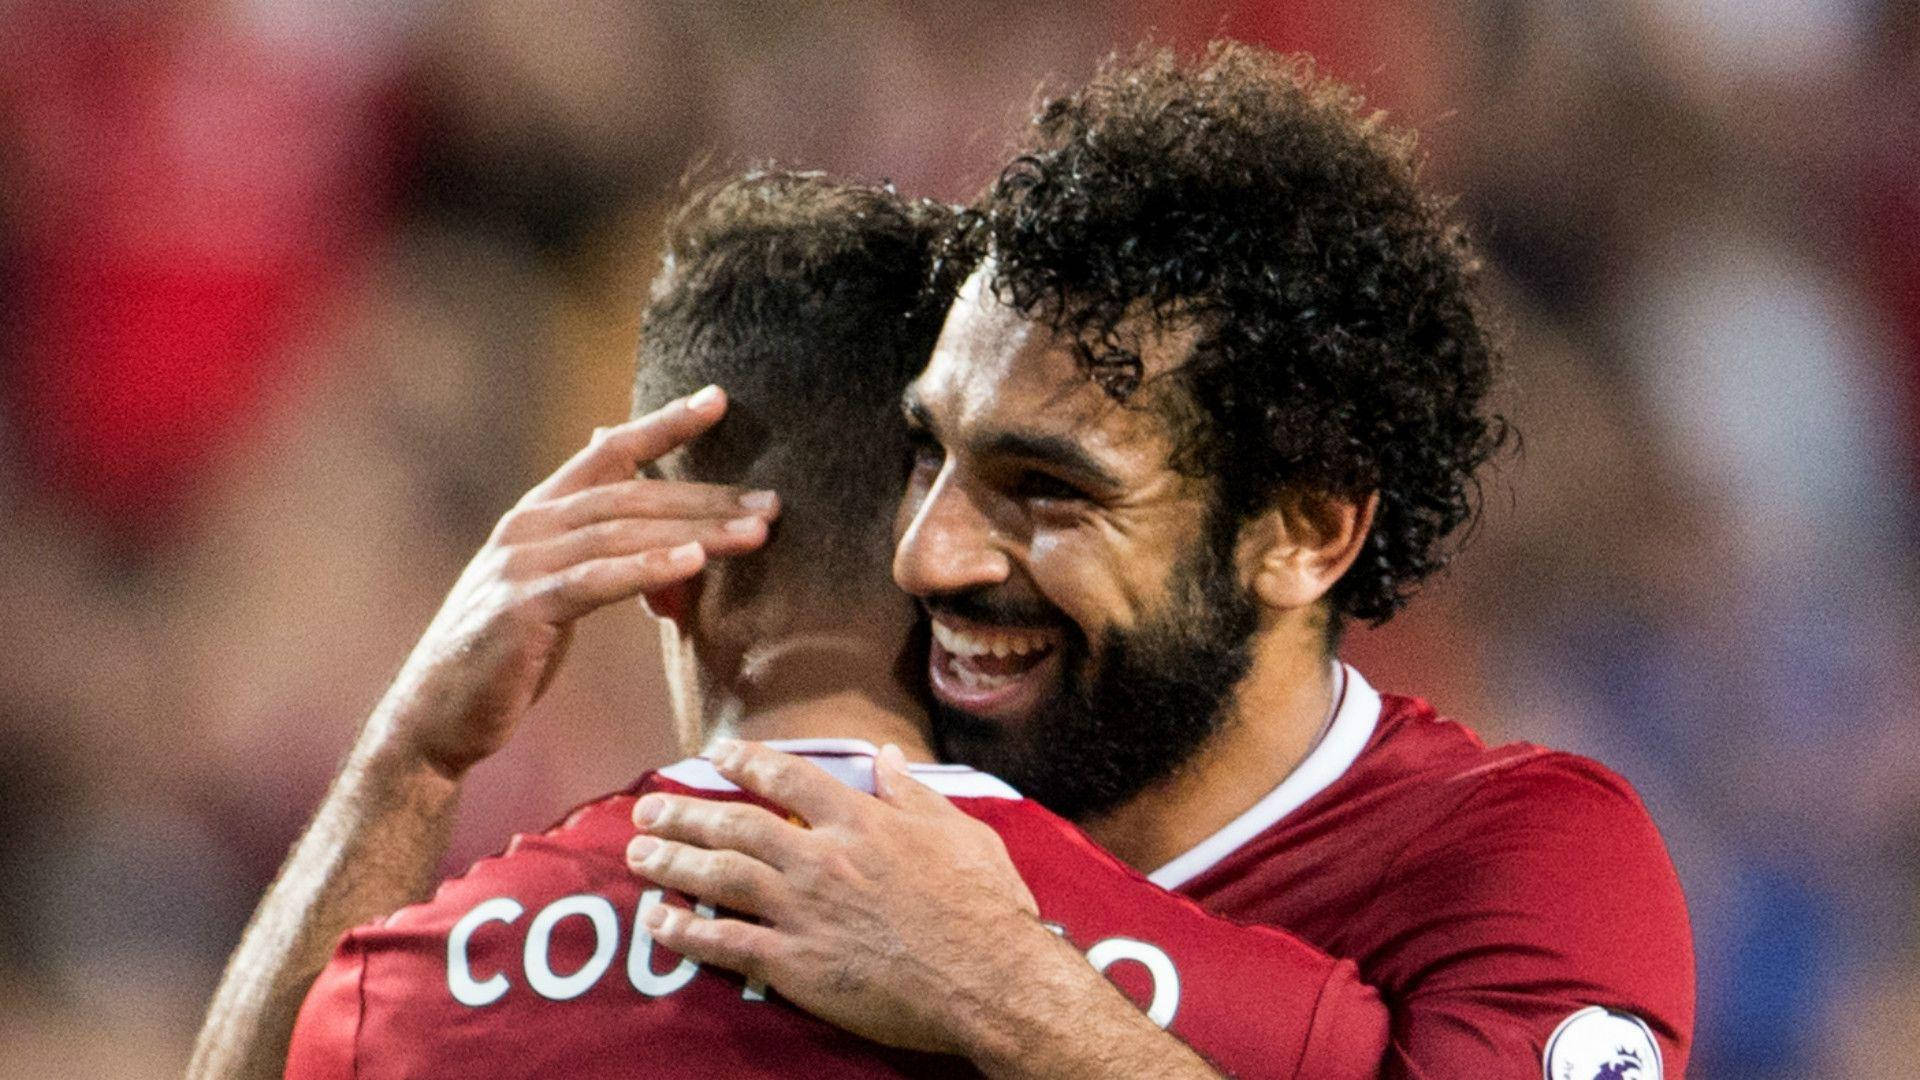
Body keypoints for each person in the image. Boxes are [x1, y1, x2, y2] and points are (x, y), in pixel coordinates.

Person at [625, 44, 1696, 1080]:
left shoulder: (1524, 863)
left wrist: (1007, 992)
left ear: (1303, 534)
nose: (926, 554)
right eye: (928, 453)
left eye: (1048, 489)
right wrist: (493, 721)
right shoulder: (863, 809)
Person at [195, 172, 1389, 1080]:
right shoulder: (1271, 1017)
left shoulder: (413, 997)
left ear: (657, 554)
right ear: (953, 544)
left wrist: (411, 760)